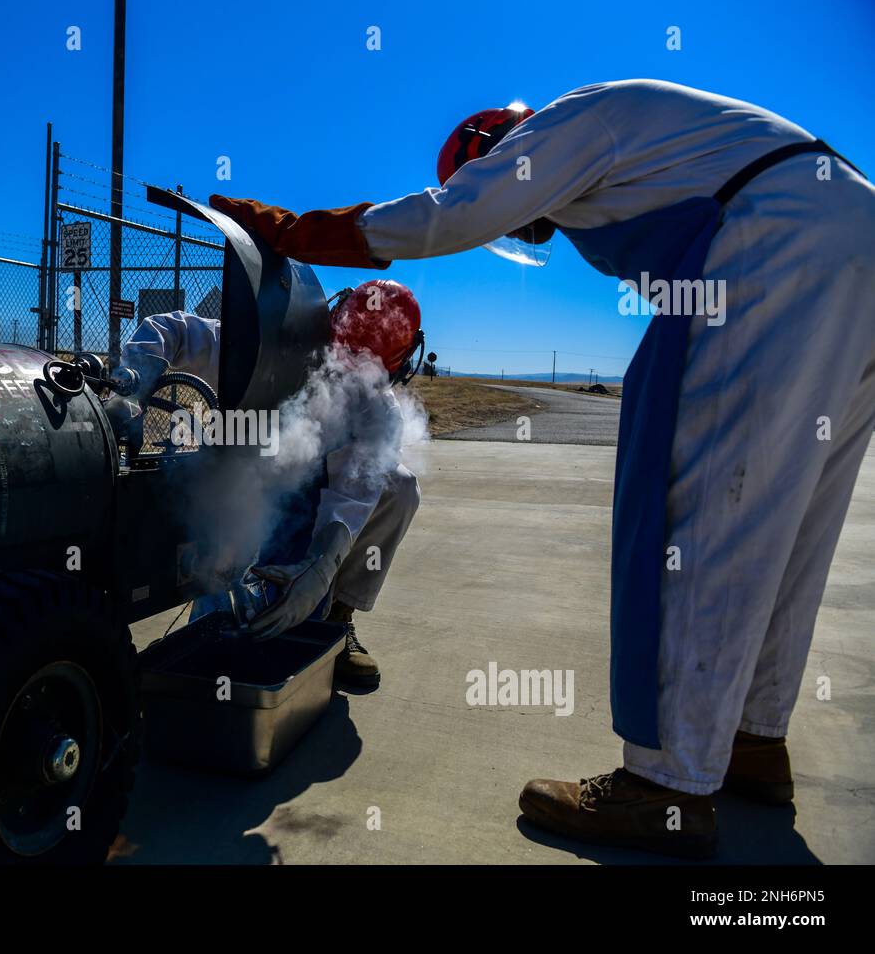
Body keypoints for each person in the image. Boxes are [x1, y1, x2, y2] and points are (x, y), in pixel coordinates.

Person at [210, 78, 875, 858]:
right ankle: (752, 743)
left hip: (769, 255)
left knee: (696, 517)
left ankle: (666, 788)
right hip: (852, 241)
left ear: (494, 148)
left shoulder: (566, 124)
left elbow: (448, 216)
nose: (523, 228)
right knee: (788, 521)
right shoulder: (659, 136)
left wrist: (293, 232)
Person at [118, 280, 424, 688]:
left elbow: (353, 495)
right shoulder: (275, 346)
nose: (345, 377)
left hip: (319, 491)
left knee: (400, 487)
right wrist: (137, 377)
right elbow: (169, 329)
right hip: (250, 477)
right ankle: (208, 630)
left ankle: (337, 619)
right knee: (226, 590)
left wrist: (320, 566)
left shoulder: (379, 410)